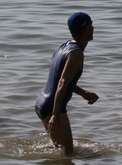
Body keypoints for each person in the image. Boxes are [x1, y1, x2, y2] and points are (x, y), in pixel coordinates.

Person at [35, 12, 99, 153]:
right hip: (52, 107)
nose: (93, 28)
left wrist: (83, 93)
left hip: (41, 103)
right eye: (91, 24)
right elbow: (62, 83)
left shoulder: (64, 46)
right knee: (68, 154)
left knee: (58, 149)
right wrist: (55, 115)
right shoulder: (76, 53)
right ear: (85, 28)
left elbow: (60, 79)